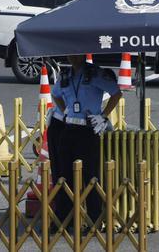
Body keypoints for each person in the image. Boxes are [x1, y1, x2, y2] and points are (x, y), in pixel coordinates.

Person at [50, 55, 121, 225]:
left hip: (88, 129)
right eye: (70, 55)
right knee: (64, 175)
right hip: (69, 128)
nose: (72, 58)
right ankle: (65, 220)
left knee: (91, 176)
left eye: (76, 54)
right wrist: (65, 110)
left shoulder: (95, 73)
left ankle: (94, 220)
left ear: (83, 54)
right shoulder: (65, 75)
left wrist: (103, 115)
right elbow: (55, 94)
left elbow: (116, 93)